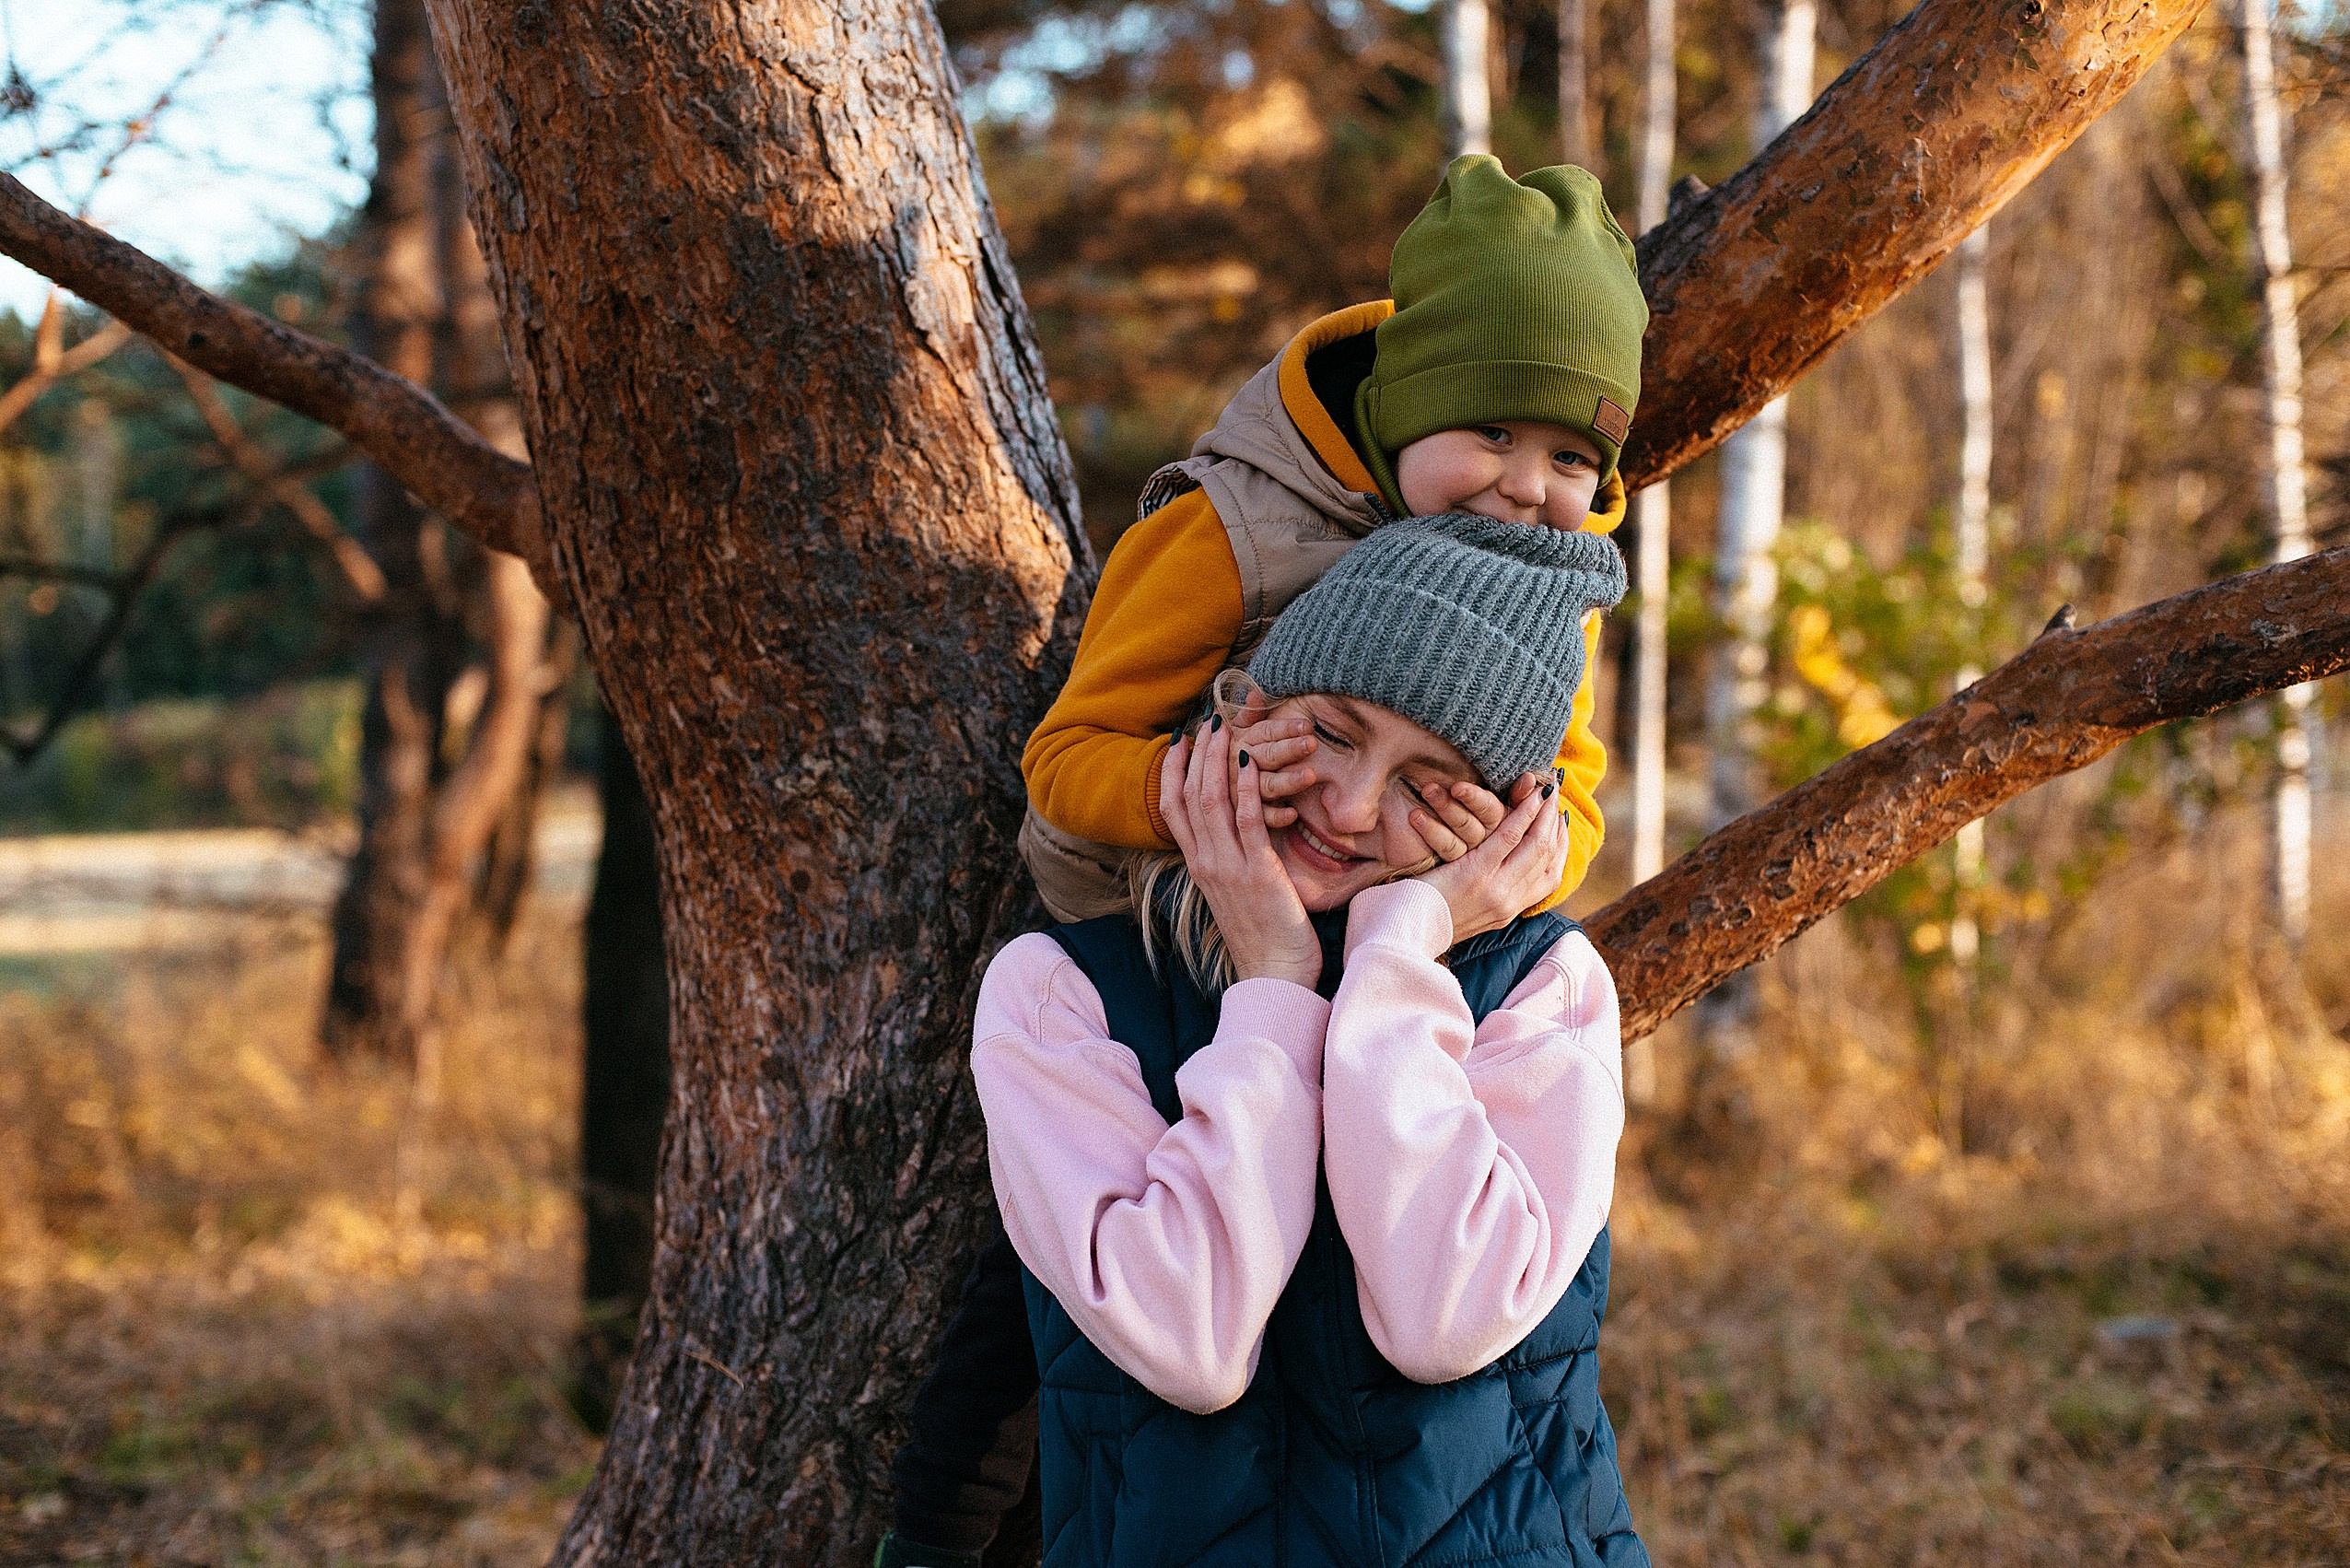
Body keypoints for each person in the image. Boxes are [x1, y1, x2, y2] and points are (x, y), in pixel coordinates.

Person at [880, 513, 1643, 1567]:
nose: (1351, 803)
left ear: (1509, 814)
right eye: (1328, 733)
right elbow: (1186, 1338)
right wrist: (1277, 988)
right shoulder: (1062, 997)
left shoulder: (1542, 992)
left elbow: (1444, 1318)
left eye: (1431, 785)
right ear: (1245, 712)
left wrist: (1397, 956)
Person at [1017, 153, 1649, 927]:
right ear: (1407, 408)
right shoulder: (1232, 527)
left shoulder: (1552, 587)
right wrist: (1206, 789)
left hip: (1376, 906)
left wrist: (1509, 856)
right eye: (1492, 432)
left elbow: (1571, 803)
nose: (1527, 485)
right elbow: (1067, 753)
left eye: (1570, 458)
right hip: (1148, 909)